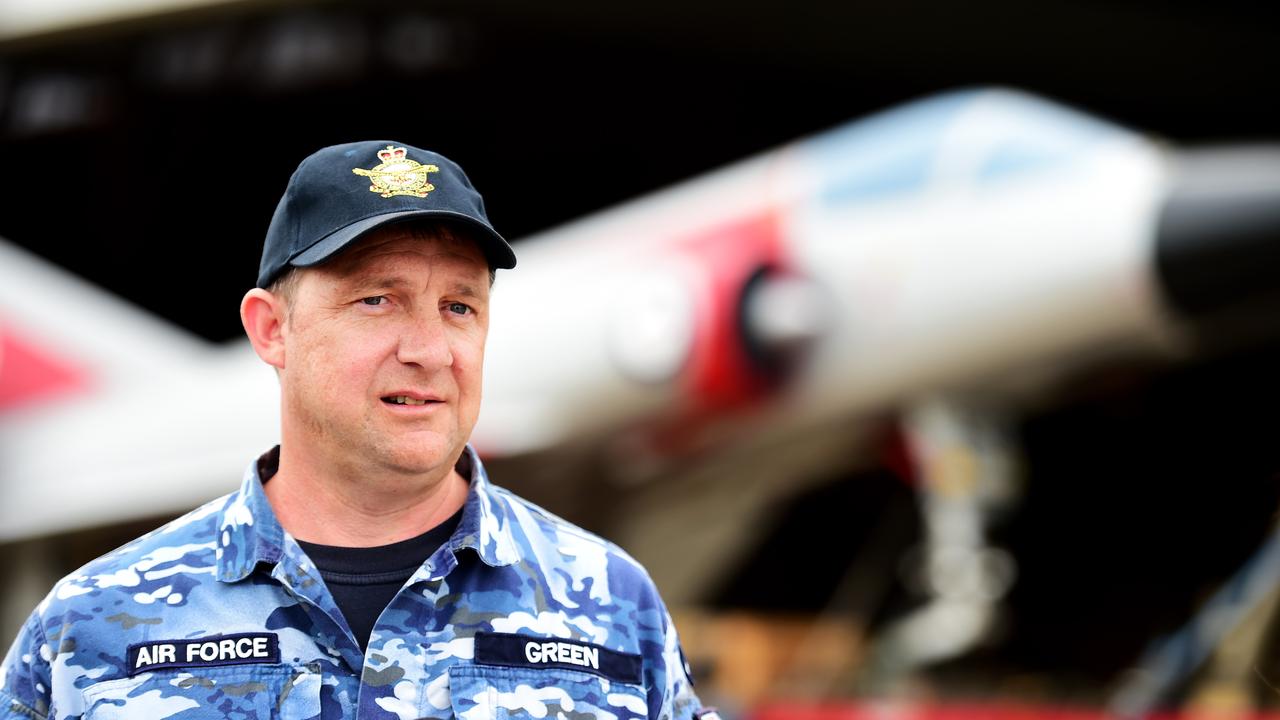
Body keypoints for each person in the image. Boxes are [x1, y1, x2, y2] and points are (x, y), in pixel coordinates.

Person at [0, 141, 704, 720]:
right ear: (272, 330)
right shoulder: (89, 626)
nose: (429, 350)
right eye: (377, 300)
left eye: (459, 307)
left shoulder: (614, 605)